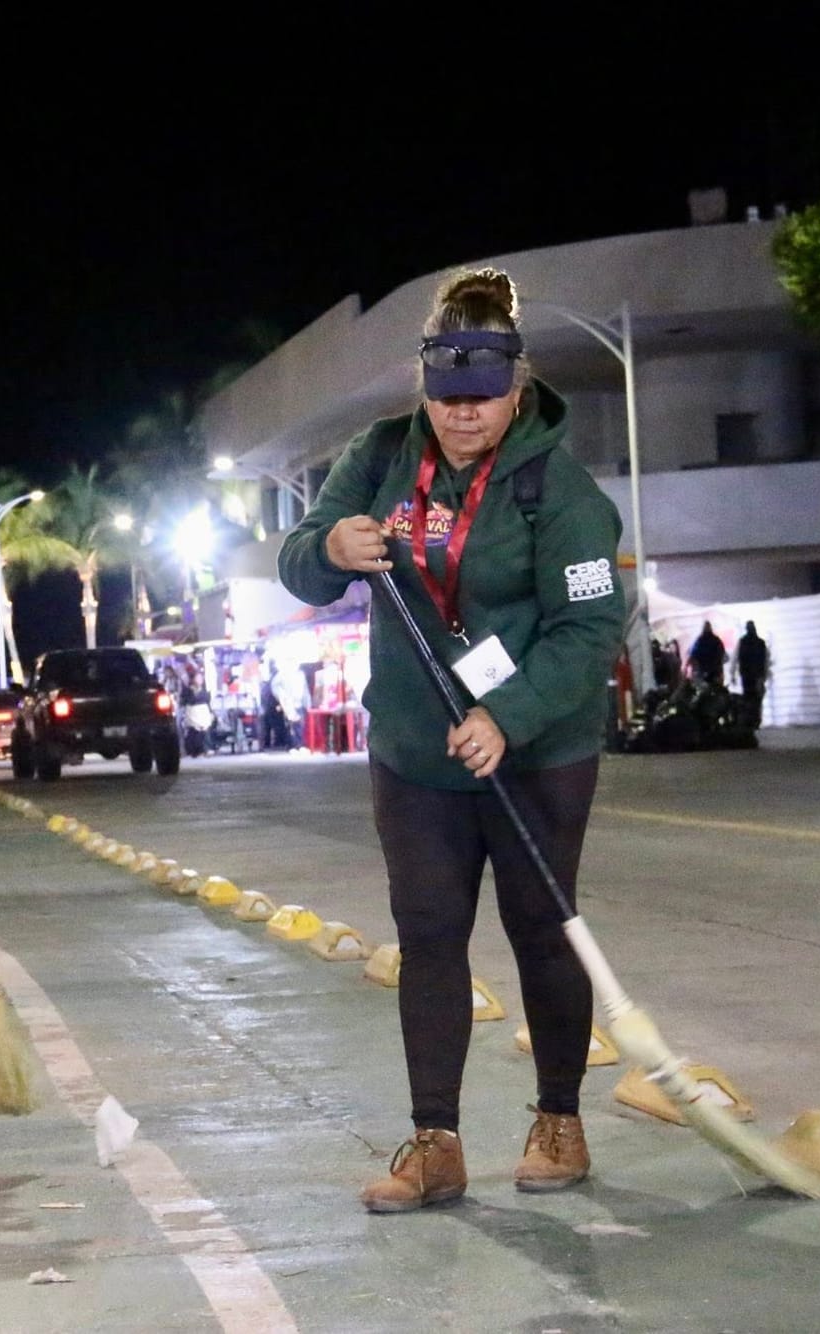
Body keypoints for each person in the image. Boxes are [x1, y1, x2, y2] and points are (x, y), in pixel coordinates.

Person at [278, 268, 624, 1212]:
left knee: (539, 928)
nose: (462, 417)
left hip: (539, 747)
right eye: (445, 397)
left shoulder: (563, 490)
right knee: (429, 935)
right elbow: (301, 558)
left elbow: (589, 631)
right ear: (422, 386)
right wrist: (329, 550)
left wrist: (506, 717)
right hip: (418, 753)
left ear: (517, 387)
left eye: (480, 399)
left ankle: (560, 1118)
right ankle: (435, 1143)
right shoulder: (381, 456)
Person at [734, 620, 770, 720]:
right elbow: (765, 660)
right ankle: (756, 718)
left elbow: (737, 657)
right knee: (757, 698)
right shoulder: (760, 643)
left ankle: (749, 719)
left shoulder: (742, 642)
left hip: (746, 675)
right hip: (757, 675)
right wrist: (764, 675)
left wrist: (734, 673)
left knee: (747, 697)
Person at [688, 620, 727, 687]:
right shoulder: (716, 640)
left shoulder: (699, 640)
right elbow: (722, 655)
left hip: (701, 672)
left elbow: (693, 655)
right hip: (715, 672)